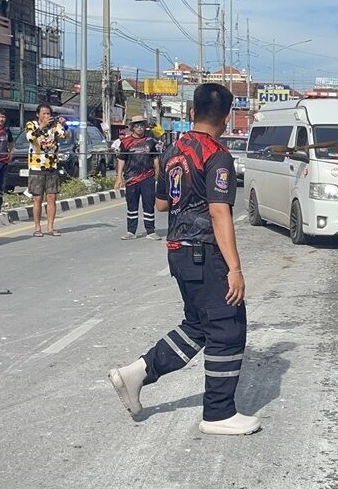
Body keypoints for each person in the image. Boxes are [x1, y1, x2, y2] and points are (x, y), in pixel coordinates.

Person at [108, 83, 260, 436]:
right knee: (227, 328)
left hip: (178, 250)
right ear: (225, 117)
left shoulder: (174, 151)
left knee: (197, 326)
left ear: (192, 113)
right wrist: (235, 269)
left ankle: (137, 373)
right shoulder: (217, 155)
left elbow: (162, 204)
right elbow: (220, 212)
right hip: (204, 252)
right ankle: (219, 413)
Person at [114, 116, 161, 240]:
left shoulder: (150, 141)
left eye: (141, 126)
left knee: (149, 204)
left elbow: (155, 158)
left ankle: (150, 231)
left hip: (148, 177)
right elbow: (121, 160)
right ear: (132, 128)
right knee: (132, 205)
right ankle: (131, 231)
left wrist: (158, 172)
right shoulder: (125, 142)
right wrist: (119, 177)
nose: (140, 128)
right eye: (137, 126)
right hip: (131, 178)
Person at [26, 103, 70, 237]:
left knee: (51, 198)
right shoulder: (31, 125)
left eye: (49, 114)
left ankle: (50, 227)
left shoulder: (54, 126)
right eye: (44, 113)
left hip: (52, 166)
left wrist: (63, 124)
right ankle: (37, 227)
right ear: (38, 114)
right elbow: (30, 138)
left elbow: (65, 135)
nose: (47, 116)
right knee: (37, 198)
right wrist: (42, 126)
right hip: (36, 166)